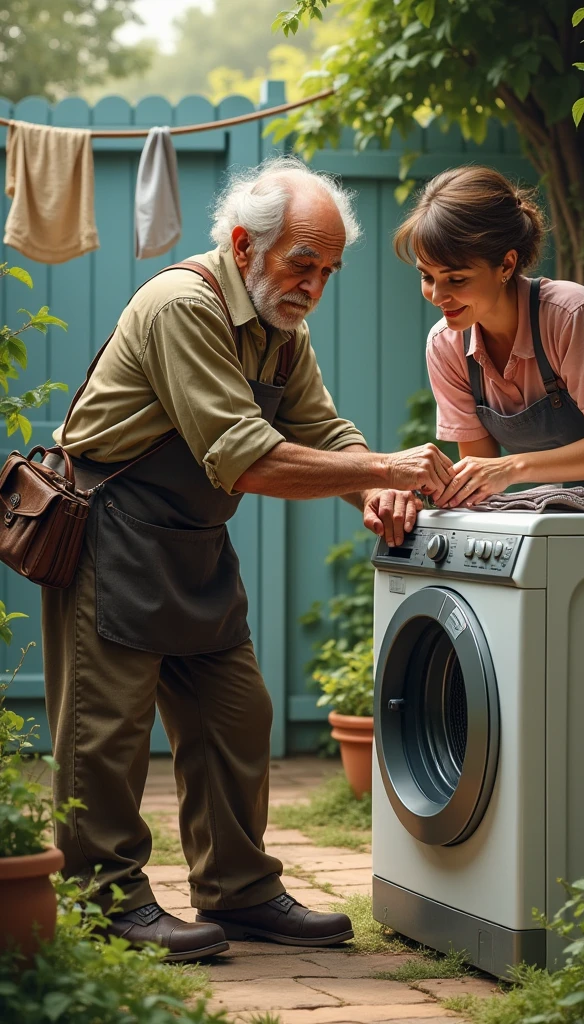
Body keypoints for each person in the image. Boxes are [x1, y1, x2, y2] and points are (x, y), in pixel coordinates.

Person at [43, 156, 455, 963]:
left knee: (238, 714)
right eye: (303, 262)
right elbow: (247, 458)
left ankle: (241, 891)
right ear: (242, 246)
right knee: (105, 735)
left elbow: (321, 432)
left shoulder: (281, 332)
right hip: (111, 533)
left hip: (194, 542)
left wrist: (370, 488)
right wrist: (385, 469)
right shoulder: (182, 306)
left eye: (329, 270)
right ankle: (104, 901)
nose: (315, 284)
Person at [394, 165, 584, 510]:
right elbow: (480, 481)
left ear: (506, 264)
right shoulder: (446, 346)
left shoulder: (570, 316)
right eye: (427, 277)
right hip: (575, 502)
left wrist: (511, 467)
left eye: (456, 280)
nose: (436, 296)